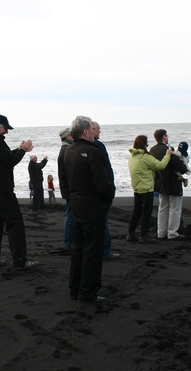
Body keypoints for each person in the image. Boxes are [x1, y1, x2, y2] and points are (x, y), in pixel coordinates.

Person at [60, 116, 115, 303]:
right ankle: (88, 292)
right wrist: (108, 198)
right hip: (92, 206)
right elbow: (103, 183)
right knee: (93, 250)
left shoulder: (68, 151)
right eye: (92, 129)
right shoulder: (92, 151)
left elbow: (65, 181)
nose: (94, 133)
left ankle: (75, 288)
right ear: (85, 132)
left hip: (77, 204)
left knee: (79, 248)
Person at [0, 114, 39, 270]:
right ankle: (20, 260)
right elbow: (10, 161)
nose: (6, 132)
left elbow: (4, 156)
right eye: (5, 128)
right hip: (1, 189)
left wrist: (19, 149)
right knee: (15, 222)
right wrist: (23, 151)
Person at [127, 135, 172, 243]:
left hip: (137, 188)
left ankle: (131, 234)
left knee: (136, 212)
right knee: (146, 213)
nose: (147, 146)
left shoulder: (132, 157)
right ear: (143, 144)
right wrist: (168, 155)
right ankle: (144, 235)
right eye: (146, 144)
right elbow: (160, 166)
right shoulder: (145, 157)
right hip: (146, 188)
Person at [150, 129, 189, 240]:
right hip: (172, 182)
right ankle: (172, 233)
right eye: (166, 136)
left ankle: (161, 232)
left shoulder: (152, 150)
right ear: (164, 137)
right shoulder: (168, 150)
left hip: (160, 183)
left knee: (162, 208)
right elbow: (181, 168)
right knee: (175, 208)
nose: (167, 137)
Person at [92, 121, 118, 258]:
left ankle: (98, 249)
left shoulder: (77, 147)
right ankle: (104, 250)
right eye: (98, 129)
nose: (99, 131)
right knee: (102, 221)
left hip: (89, 191)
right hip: (100, 189)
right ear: (91, 130)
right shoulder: (97, 145)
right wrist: (110, 185)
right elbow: (105, 168)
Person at [57, 127, 74, 251]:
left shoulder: (64, 149)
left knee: (71, 215)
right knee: (71, 215)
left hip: (67, 189)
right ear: (67, 137)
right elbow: (67, 174)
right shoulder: (66, 150)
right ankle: (69, 242)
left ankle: (70, 241)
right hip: (70, 189)